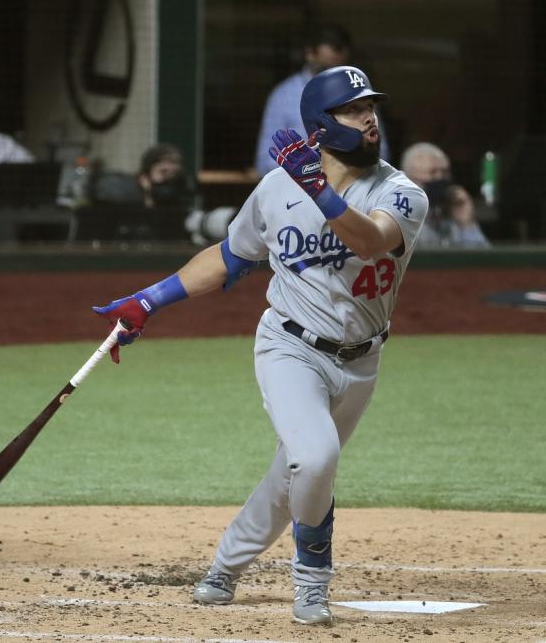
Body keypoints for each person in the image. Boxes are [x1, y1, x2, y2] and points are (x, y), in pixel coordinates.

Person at [93, 66, 427, 625]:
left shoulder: (400, 191)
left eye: (371, 106)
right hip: (289, 348)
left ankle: (225, 565)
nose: (370, 118)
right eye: (354, 109)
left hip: (363, 360)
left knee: (294, 475)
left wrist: (318, 189)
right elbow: (229, 257)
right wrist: (147, 300)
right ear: (322, 126)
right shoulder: (277, 189)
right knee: (315, 456)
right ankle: (312, 579)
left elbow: (369, 242)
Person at [253, 24, 389, 176]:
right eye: (327, 69)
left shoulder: (360, 93)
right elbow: (264, 163)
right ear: (310, 53)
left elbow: (381, 155)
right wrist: (307, 168)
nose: (334, 79)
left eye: (340, 69)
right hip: (299, 191)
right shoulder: (284, 95)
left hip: (355, 188)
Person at [401, 142, 490, 247]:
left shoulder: (452, 214)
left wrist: (467, 223)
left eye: (444, 172)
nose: (440, 178)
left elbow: (482, 260)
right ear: (407, 179)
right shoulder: (399, 218)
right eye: (432, 172)